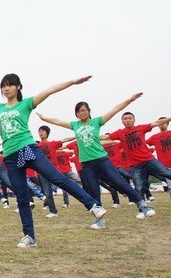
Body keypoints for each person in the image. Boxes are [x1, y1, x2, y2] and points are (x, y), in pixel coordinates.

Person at [0, 74, 106, 248]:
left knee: (56, 178)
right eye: (3, 86)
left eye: (10, 85)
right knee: (22, 197)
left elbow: (49, 90)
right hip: (10, 157)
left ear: (18, 87)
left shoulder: (26, 104)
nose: (6, 89)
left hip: (27, 149)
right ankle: (29, 236)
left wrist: (72, 82)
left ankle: (93, 205)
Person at [38, 93, 154, 226]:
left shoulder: (97, 121)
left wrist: (129, 100)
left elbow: (114, 110)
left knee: (119, 183)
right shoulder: (75, 125)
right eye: (78, 111)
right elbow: (57, 121)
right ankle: (100, 221)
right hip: (87, 165)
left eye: (83, 110)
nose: (81, 113)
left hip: (102, 160)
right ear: (76, 114)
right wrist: (44, 118)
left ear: (88, 111)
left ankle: (144, 206)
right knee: (94, 192)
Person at [103, 111, 171, 213]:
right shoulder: (120, 133)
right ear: (122, 121)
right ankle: (142, 210)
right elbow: (105, 137)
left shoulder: (141, 128)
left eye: (130, 118)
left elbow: (156, 123)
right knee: (139, 187)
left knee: (168, 173)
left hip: (149, 160)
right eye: (125, 119)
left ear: (134, 120)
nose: (128, 120)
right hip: (136, 166)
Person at [146, 117, 171, 198]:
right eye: (160, 123)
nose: (162, 125)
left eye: (164, 123)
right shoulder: (155, 137)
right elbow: (144, 143)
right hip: (164, 166)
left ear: (167, 123)